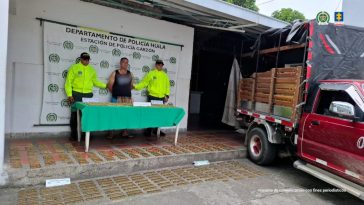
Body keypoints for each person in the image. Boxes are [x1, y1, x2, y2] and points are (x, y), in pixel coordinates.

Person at [65, 52, 107, 141]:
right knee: (74, 116)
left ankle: (86, 135)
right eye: (84, 59)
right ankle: (74, 135)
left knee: (87, 115)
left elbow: (95, 81)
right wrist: (69, 95)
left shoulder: (92, 70)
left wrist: (105, 86)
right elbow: (68, 82)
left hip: (88, 95)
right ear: (80, 59)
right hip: (76, 94)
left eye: (88, 59)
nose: (86, 60)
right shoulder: (74, 68)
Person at [134, 59, 170, 137]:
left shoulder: (165, 75)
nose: (160, 66)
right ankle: (148, 130)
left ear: (162, 66)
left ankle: (157, 130)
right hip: (152, 96)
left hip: (161, 98)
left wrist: (167, 95)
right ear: (156, 65)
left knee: (159, 115)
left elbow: (167, 86)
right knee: (150, 113)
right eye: (158, 64)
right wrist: (136, 87)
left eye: (161, 65)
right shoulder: (151, 73)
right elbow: (144, 83)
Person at [107, 57, 133, 139]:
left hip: (127, 98)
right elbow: (110, 85)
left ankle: (125, 132)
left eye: (127, 63)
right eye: (124, 62)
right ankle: (111, 132)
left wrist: (125, 93)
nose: (125, 64)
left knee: (126, 115)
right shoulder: (115, 73)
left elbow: (131, 86)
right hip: (116, 97)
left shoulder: (130, 74)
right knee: (113, 115)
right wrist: (116, 93)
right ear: (120, 63)